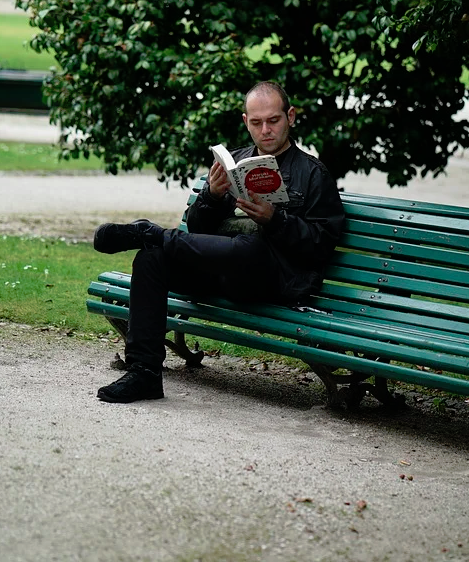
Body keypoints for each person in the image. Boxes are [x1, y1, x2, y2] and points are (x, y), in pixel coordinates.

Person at [93, 81, 346, 403]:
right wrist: (211, 197)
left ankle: (151, 232)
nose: (265, 130)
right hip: (219, 271)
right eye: (256, 123)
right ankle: (144, 373)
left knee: (248, 246)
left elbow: (320, 246)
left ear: (291, 117)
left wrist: (275, 219)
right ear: (246, 122)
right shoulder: (234, 164)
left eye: (274, 120)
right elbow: (197, 228)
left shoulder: (313, 174)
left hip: (272, 280)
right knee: (151, 258)